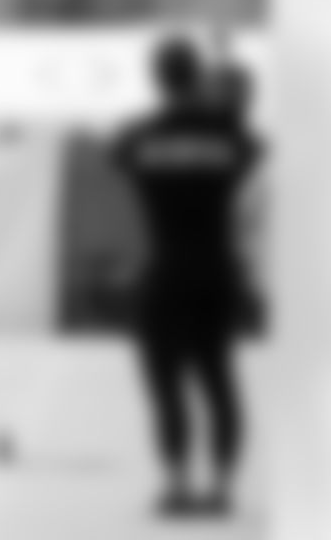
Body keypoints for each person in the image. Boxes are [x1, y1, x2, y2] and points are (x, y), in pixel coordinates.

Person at [111, 36, 265, 518]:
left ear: (156, 79)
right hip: (216, 271)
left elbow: (117, 155)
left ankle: (176, 484)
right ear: (197, 76)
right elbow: (253, 148)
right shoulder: (230, 136)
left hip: (165, 271)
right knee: (219, 380)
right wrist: (226, 105)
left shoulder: (136, 137)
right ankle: (221, 488)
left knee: (165, 384)